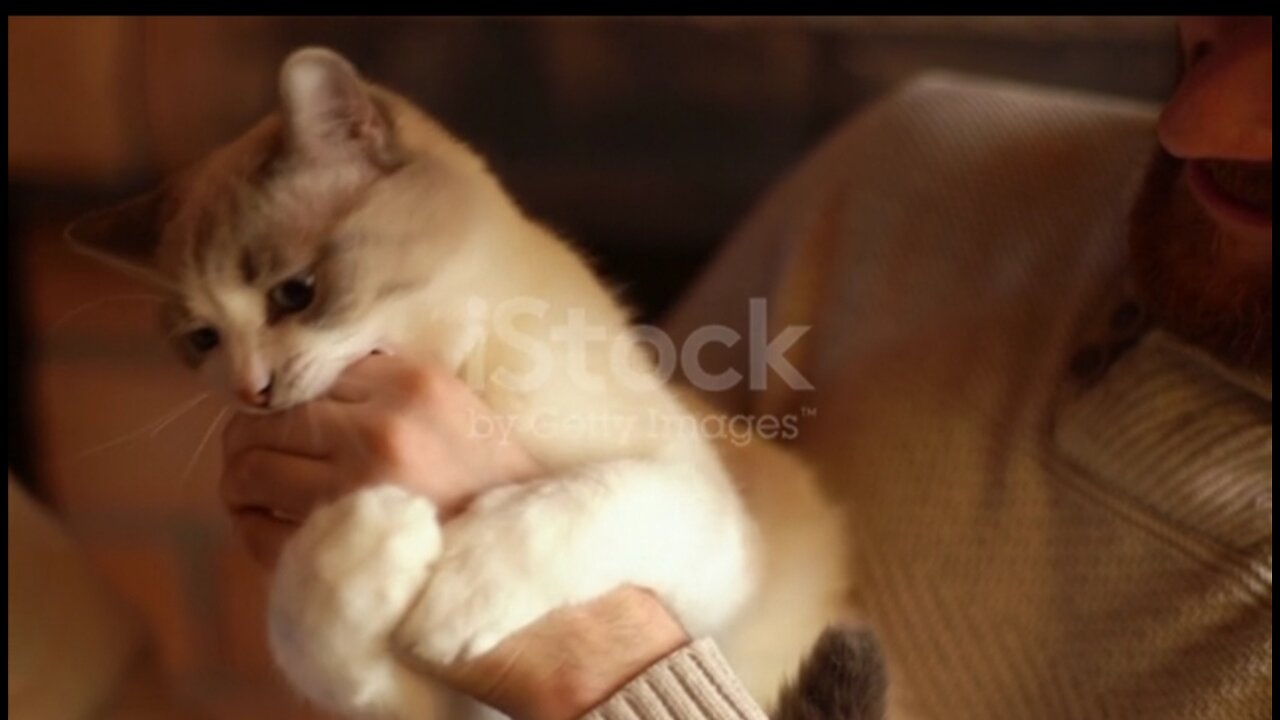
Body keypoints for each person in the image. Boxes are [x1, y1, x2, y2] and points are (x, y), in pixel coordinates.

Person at [10, 15, 1269, 720]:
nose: (1194, 120)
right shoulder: (913, 166)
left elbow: (675, 535)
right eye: (1219, 34)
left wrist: (583, 650)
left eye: (285, 300)